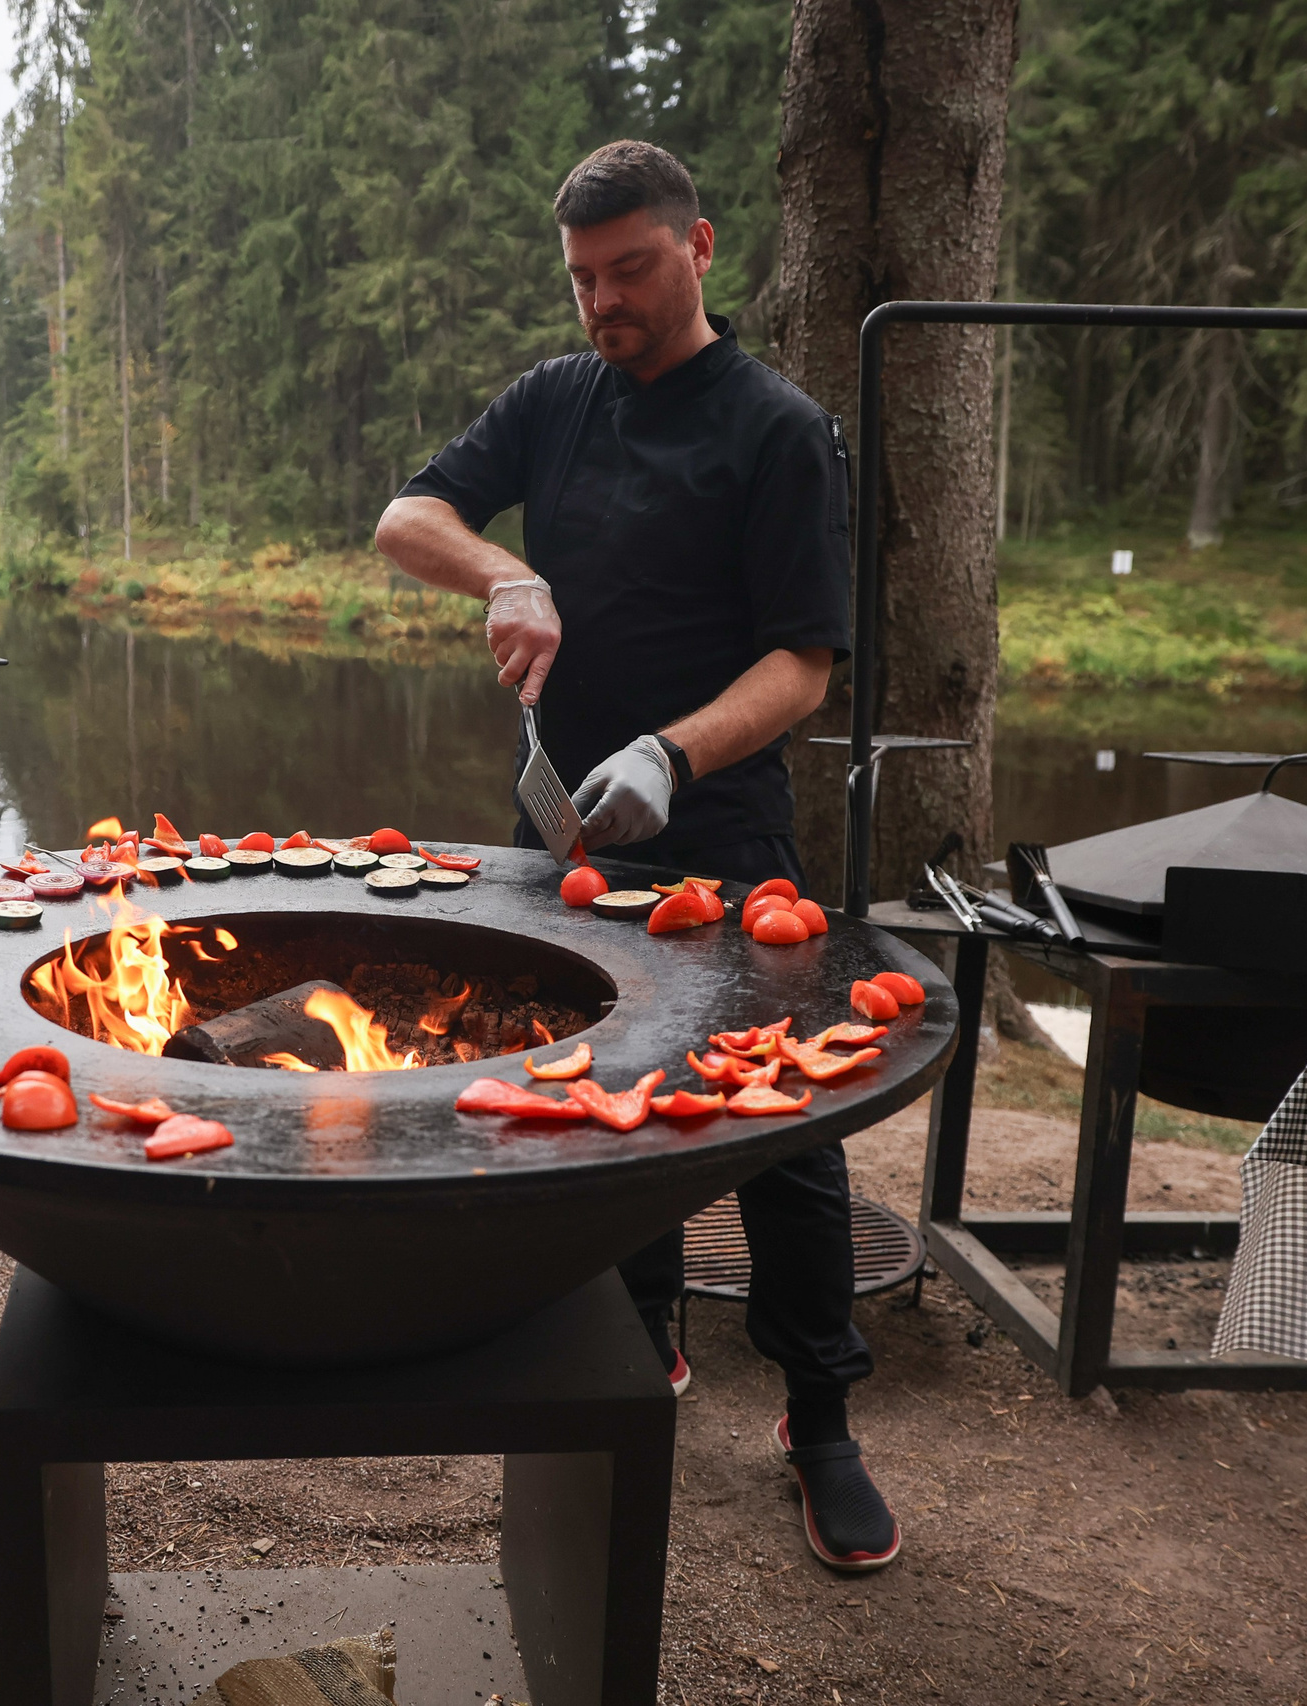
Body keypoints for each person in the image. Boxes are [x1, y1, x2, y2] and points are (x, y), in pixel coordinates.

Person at [372, 140, 898, 1573]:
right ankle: (640, 1337)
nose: (603, 301)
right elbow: (404, 517)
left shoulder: (779, 430)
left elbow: (806, 664)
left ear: (700, 246)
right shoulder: (556, 400)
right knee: (593, 1090)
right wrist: (509, 571)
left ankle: (820, 1414)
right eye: (583, 279)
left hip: (722, 834)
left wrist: (676, 751)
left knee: (776, 1128)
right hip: (558, 837)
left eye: (629, 271)